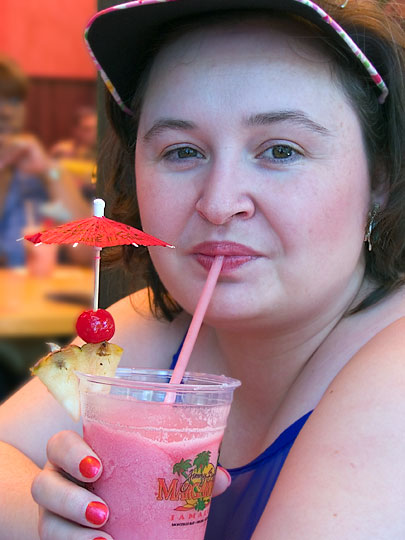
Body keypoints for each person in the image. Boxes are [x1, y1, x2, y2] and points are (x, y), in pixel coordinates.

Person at [1, 0, 405, 538]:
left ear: (379, 176)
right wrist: (51, 521)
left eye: (280, 150)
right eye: (182, 151)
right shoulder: (149, 324)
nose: (218, 204)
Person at [0, 55, 50, 266]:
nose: (6, 111)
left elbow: (88, 250)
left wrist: (49, 170)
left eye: (14, 101)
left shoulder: (38, 167)